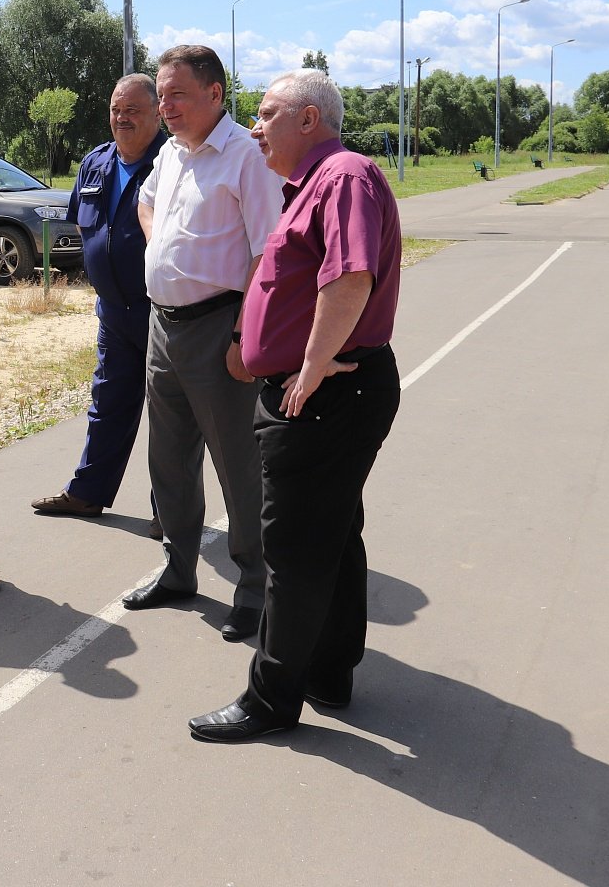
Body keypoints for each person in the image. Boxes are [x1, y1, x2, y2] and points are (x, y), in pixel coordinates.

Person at [188, 68, 402, 742]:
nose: (256, 126)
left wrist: (307, 367)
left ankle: (271, 700)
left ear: (309, 119)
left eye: (268, 112)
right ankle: (328, 671)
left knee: (295, 549)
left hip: (325, 392)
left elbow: (351, 276)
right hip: (332, 388)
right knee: (332, 535)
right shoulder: (312, 183)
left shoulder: (340, 178)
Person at [123, 45, 282, 644]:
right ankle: (179, 570)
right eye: (161, 96)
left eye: (177, 95)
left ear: (216, 94)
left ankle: (254, 589)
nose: (165, 107)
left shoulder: (246, 158)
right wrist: (160, 239)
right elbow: (145, 203)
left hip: (221, 328)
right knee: (169, 460)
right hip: (163, 328)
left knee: (239, 466)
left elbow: (268, 254)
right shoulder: (173, 153)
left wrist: (246, 334)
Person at [32, 73, 166, 520]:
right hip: (113, 312)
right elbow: (88, 228)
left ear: (157, 111)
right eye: (115, 110)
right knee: (107, 401)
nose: (121, 118)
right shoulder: (96, 162)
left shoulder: (175, 162)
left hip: (163, 312)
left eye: (132, 110)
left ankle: (169, 512)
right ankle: (87, 493)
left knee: (170, 416)